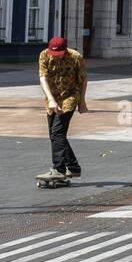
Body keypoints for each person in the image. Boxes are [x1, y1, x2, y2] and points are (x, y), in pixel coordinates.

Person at [38, 36, 87, 181]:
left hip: (69, 97)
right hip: (52, 98)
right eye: (54, 54)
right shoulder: (44, 55)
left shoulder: (76, 57)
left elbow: (83, 80)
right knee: (54, 135)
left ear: (65, 49)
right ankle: (73, 167)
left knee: (57, 133)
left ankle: (58, 169)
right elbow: (43, 78)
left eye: (59, 54)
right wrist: (51, 100)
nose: (56, 57)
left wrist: (82, 102)